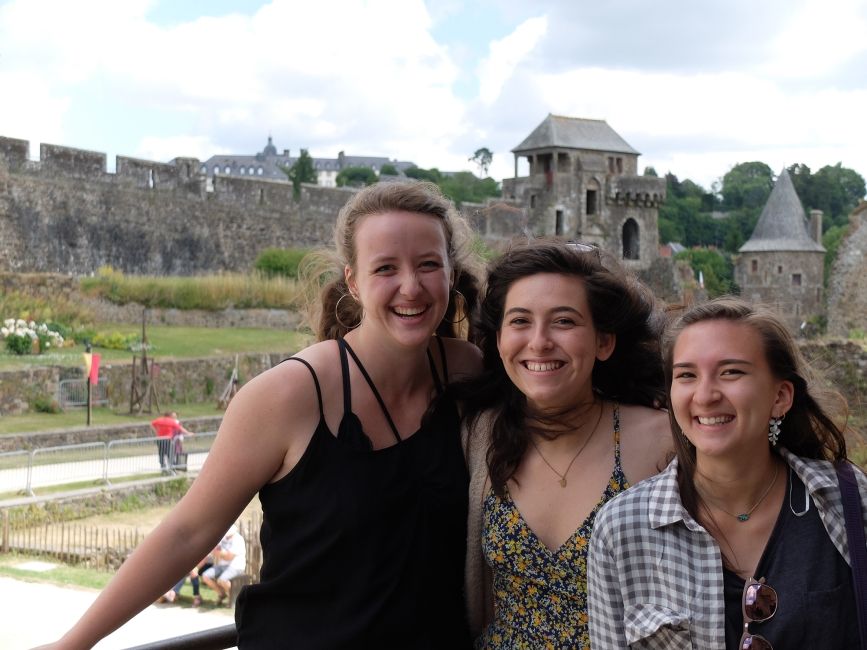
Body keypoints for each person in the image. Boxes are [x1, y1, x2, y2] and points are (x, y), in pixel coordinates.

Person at [35, 181, 483, 649]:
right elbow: (188, 532)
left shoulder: (465, 372)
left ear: (450, 271)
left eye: (428, 264)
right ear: (353, 281)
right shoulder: (288, 395)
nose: (410, 286)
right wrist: (73, 643)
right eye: (386, 268)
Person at [588, 297, 867, 649]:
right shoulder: (622, 527)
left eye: (731, 372)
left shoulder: (846, 499)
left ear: (780, 396)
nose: (705, 395)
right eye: (687, 375)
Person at [453, 239, 672, 648]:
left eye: (564, 322)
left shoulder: (662, 441)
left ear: (604, 342)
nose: (539, 342)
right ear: (499, 340)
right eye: (520, 321)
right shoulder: (481, 434)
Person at [200, 524, 246, 606]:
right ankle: (222, 594)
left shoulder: (238, 540)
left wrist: (220, 554)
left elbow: (229, 557)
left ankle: (233, 599)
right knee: (205, 576)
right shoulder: (223, 537)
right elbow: (214, 551)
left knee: (222, 580)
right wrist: (222, 554)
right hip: (222, 565)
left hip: (236, 566)